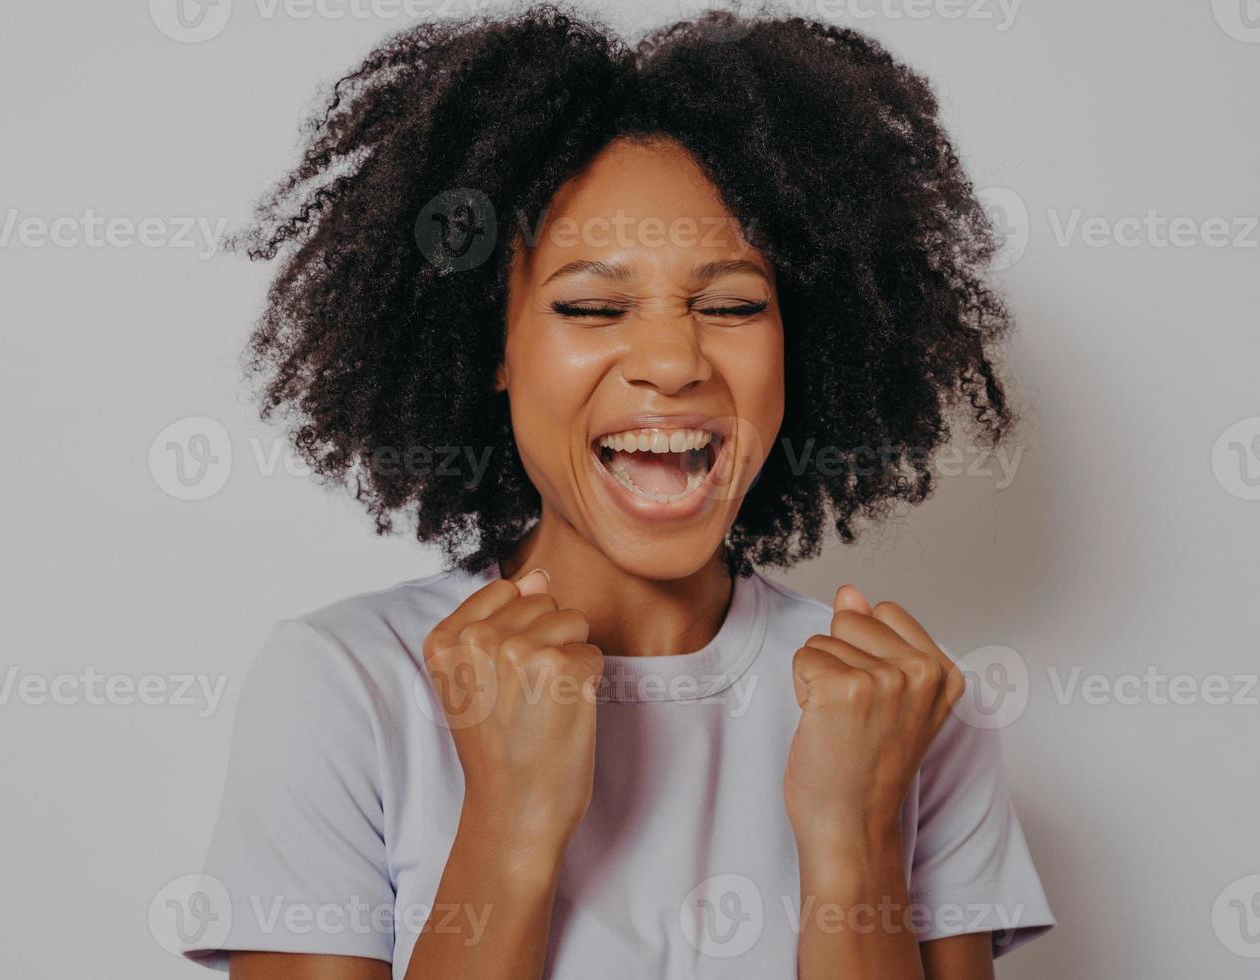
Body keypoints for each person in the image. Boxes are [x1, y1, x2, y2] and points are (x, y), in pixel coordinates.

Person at [185, 6, 1055, 977]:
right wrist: (510, 825)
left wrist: (854, 844)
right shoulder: (349, 683)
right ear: (491, 348)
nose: (673, 360)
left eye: (730, 304)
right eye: (593, 305)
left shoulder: (903, 705)